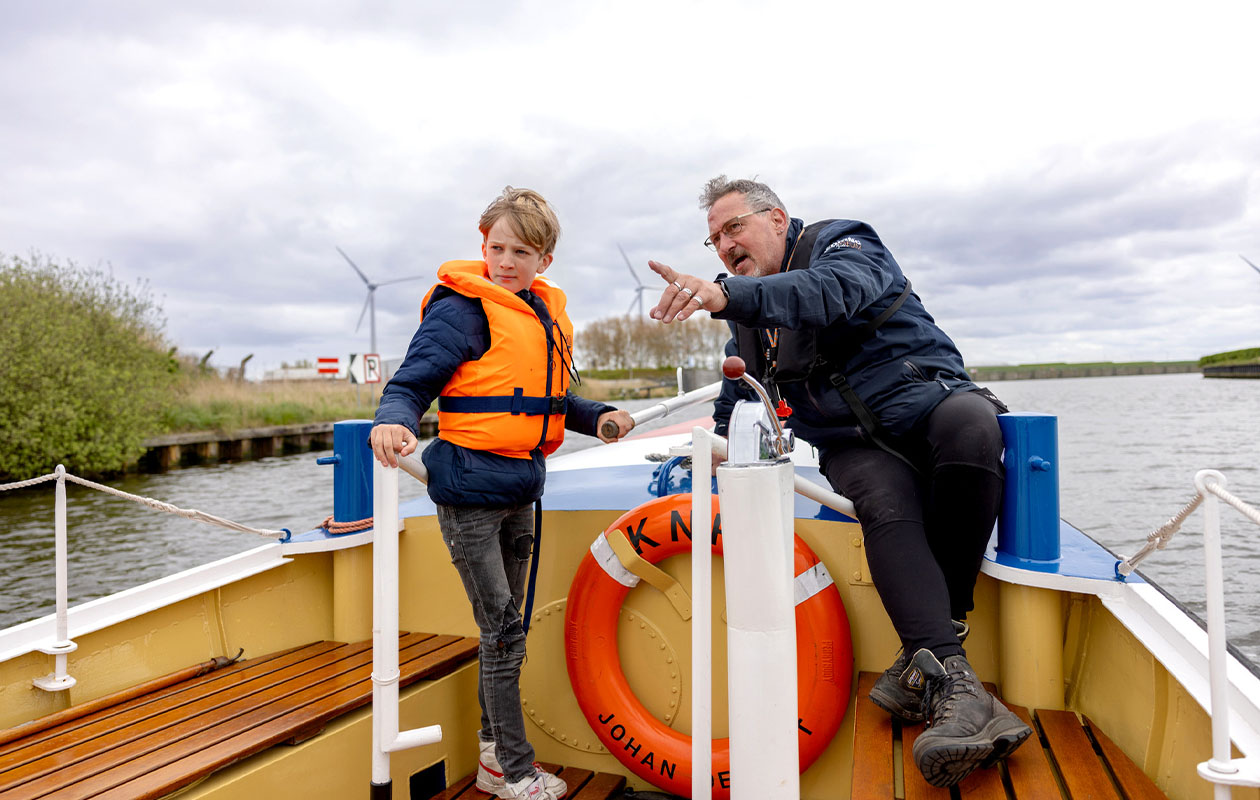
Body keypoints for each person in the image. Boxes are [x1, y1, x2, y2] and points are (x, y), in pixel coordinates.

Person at [647, 175, 1031, 788]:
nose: (724, 246)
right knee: (882, 500)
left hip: (928, 403)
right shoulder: (747, 320)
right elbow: (737, 391)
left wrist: (726, 294)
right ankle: (955, 683)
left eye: (733, 228)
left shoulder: (845, 245)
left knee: (973, 427)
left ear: (777, 219)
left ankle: (930, 663)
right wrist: (713, 448)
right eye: (714, 240)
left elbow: (825, 294)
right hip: (850, 443)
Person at [370, 186, 633, 800]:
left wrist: (599, 418)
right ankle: (512, 771)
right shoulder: (463, 309)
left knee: (506, 631)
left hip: (521, 487)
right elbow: (413, 381)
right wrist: (394, 418)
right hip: (467, 493)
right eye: (496, 247)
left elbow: (550, 401)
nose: (506, 261)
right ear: (481, 244)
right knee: (504, 633)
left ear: (545, 259)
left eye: (521, 250)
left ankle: (494, 756)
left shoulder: (540, 313)